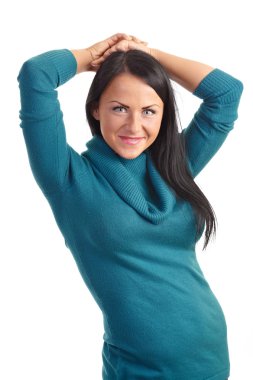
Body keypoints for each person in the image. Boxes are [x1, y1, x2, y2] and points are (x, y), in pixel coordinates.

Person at [17, 33, 243, 379]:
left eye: (149, 111)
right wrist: (91, 55)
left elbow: (227, 93)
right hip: (138, 368)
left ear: (163, 114)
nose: (134, 126)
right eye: (119, 108)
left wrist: (148, 55)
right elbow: (37, 75)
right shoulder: (67, 178)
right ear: (96, 108)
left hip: (210, 358)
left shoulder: (173, 166)